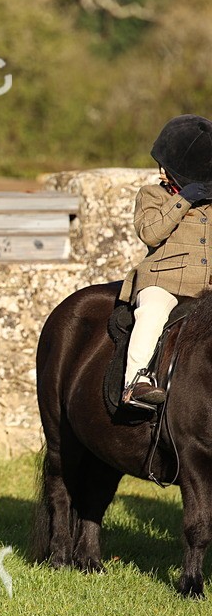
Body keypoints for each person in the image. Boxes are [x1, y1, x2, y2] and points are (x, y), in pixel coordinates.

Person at [119, 114, 212, 408]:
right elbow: (150, 233)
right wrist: (183, 199)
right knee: (152, 313)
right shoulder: (152, 195)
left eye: (166, 167)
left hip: (205, 288)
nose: (160, 171)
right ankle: (135, 382)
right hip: (163, 282)